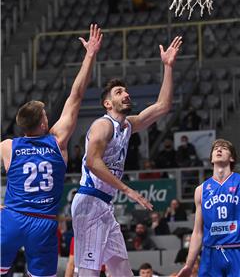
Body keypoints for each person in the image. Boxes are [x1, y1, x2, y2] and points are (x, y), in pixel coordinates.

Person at [71, 35, 182, 277]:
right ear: (107, 104)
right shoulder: (103, 125)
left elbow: (163, 106)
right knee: (88, 273)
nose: (126, 94)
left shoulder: (128, 125)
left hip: (105, 205)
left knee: (121, 269)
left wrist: (168, 67)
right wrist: (128, 190)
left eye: (126, 91)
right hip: (89, 203)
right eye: (119, 92)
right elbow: (92, 162)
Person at [0, 24, 103, 277]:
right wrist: (89, 55)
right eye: (46, 114)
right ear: (44, 122)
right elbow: (76, 95)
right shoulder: (58, 140)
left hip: (12, 218)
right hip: (43, 223)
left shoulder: (8, 147)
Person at [177, 139, 240, 277]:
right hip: (210, 254)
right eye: (216, 148)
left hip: (236, 249)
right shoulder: (201, 190)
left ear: (232, 157)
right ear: (211, 158)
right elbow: (198, 232)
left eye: (224, 148)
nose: (219, 150)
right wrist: (189, 265)